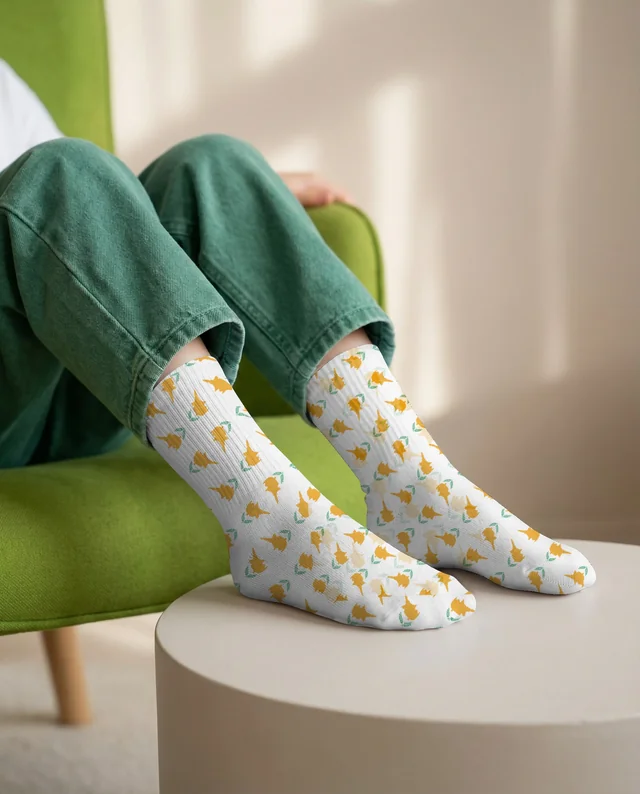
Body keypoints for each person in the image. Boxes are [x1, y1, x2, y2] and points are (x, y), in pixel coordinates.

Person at [0, 60, 595, 632]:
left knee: (210, 168)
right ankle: (274, 525)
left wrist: (230, 208)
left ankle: (416, 486)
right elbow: (45, 184)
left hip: (62, 381)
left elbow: (59, 214)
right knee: (59, 172)